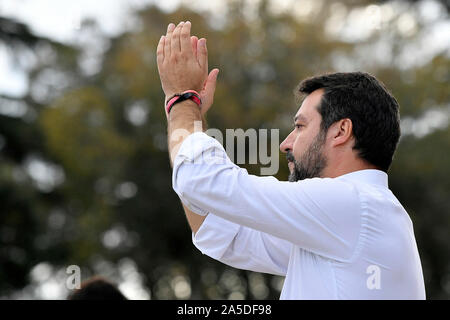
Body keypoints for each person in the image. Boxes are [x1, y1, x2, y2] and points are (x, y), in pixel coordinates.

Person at [156, 21, 426, 299]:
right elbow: (222, 231)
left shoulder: (354, 204)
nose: (285, 143)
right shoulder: (350, 217)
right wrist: (188, 114)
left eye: (300, 126)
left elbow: (200, 181)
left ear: (341, 131)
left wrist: (182, 100)